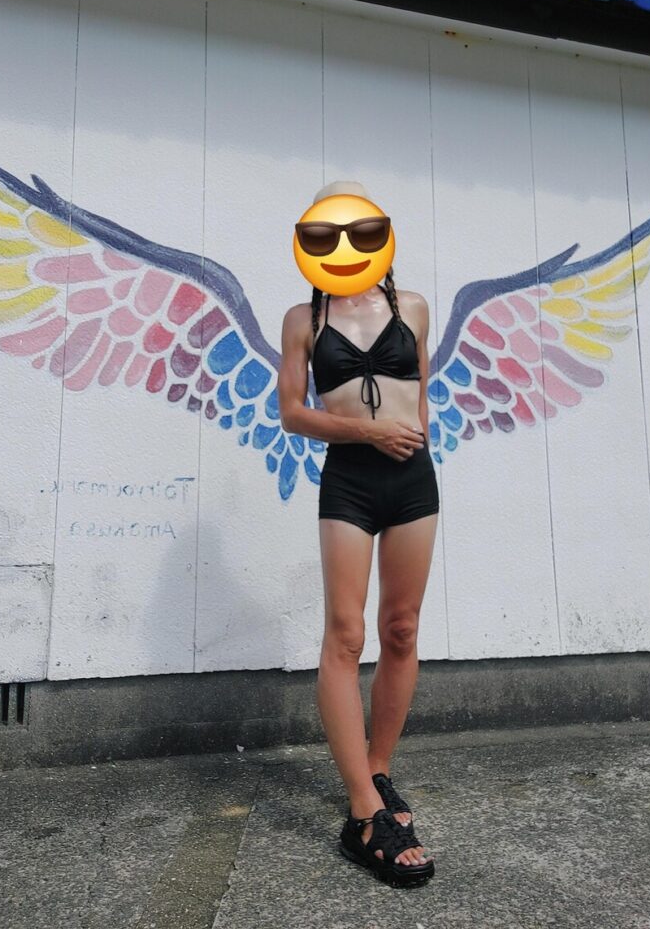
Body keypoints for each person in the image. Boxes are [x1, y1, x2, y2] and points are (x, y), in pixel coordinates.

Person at [278, 181, 439, 888]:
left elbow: (420, 394)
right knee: (345, 635)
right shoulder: (303, 319)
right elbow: (291, 412)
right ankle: (362, 811)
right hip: (348, 480)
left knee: (401, 628)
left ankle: (379, 771)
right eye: (327, 231)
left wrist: (410, 440)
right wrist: (370, 432)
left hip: (413, 481)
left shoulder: (414, 309)